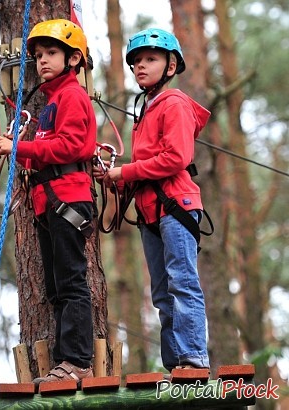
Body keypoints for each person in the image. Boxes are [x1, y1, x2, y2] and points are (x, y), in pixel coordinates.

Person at [97, 28, 210, 372]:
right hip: (150, 213)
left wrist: (125, 173)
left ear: (170, 65)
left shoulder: (172, 103)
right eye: (136, 62)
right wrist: (115, 180)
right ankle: (176, 363)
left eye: (150, 59)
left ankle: (193, 359)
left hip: (176, 206)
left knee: (182, 283)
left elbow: (175, 158)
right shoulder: (145, 110)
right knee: (162, 296)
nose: (140, 66)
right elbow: (145, 168)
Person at [0, 19, 97, 385]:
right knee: (56, 288)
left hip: (67, 196)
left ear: (73, 59)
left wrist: (19, 147)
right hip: (50, 199)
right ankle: (65, 361)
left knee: (70, 282)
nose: (42, 61)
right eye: (38, 55)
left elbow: (71, 147)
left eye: (51, 53)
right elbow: (45, 153)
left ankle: (78, 362)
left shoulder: (72, 96)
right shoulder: (51, 104)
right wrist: (18, 151)